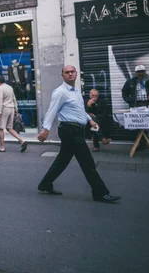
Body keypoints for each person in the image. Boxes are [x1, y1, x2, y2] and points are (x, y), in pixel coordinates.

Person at [37, 65, 121, 203]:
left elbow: (79, 110)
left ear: (76, 74)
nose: (70, 74)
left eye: (72, 72)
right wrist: (45, 130)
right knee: (87, 162)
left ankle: (45, 184)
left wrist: (89, 120)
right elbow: (51, 111)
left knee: (62, 161)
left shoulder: (76, 90)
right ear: (62, 75)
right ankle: (100, 193)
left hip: (76, 130)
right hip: (69, 130)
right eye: (67, 72)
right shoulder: (60, 92)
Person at [121, 65, 149, 148]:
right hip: (137, 105)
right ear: (135, 73)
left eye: (142, 71)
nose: (140, 73)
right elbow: (124, 92)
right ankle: (141, 143)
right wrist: (129, 100)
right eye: (138, 72)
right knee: (138, 124)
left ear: (145, 71)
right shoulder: (131, 81)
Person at [0, 75, 28, 152]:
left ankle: (1, 147)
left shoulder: (0, 89)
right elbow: (14, 99)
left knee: (0, 128)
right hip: (11, 108)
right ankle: (22, 141)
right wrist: (16, 108)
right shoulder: (9, 87)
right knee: (9, 128)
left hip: (4, 108)